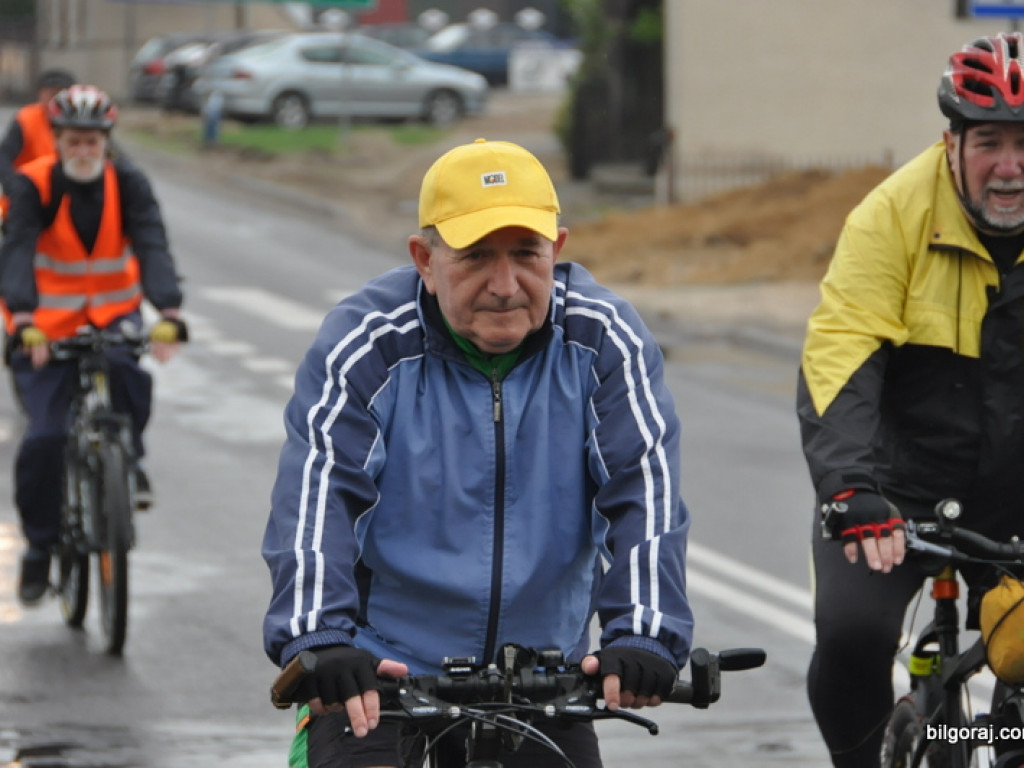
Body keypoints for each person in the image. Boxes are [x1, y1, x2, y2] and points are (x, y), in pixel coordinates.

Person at [262, 138, 693, 768]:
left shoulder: (605, 342)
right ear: (425, 260)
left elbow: (645, 492)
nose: (504, 284)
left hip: (546, 679)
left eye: (526, 254)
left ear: (558, 251)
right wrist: (319, 637)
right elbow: (316, 497)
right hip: (385, 674)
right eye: (474, 257)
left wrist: (645, 631)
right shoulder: (366, 344)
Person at [797, 32, 1024, 768]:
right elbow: (842, 352)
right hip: (898, 491)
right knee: (852, 637)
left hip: (1016, 493)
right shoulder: (891, 215)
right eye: (989, 142)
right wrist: (850, 486)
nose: (1011, 168)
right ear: (951, 142)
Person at [0, 84, 187, 605]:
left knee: (130, 377)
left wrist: (168, 310)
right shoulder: (30, 184)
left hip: (113, 314)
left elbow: (151, 243)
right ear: (57, 140)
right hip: (44, 327)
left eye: (93, 142)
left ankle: (131, 458)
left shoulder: (128, 183)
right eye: (74, 141)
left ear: (107, 141)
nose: (84, 151)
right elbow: (14, 250)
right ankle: (38, 548)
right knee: (45, 439)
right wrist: (21, 317)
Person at [0, 69, 76, 227]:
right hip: (28, 193)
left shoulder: (83, 122)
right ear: (40, 94)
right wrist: (14, 187)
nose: (55, 99)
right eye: (51, 93)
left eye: (62, 93)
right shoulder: (27, 119)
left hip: (70, 198)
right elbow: (3, 156)